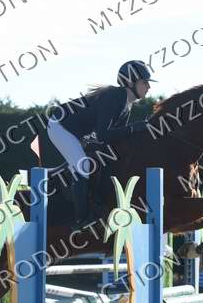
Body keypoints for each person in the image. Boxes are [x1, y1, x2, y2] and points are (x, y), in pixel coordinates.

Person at [47, 60, 155, 230]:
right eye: (144, 82)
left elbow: (114, 139)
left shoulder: (127, 103)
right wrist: (134, 128)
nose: (149, 86)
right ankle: (81, 220)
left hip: (77, 131)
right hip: (60, 126)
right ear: (130, 82)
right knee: (83, 166)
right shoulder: (115, 97)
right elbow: (103, 135)